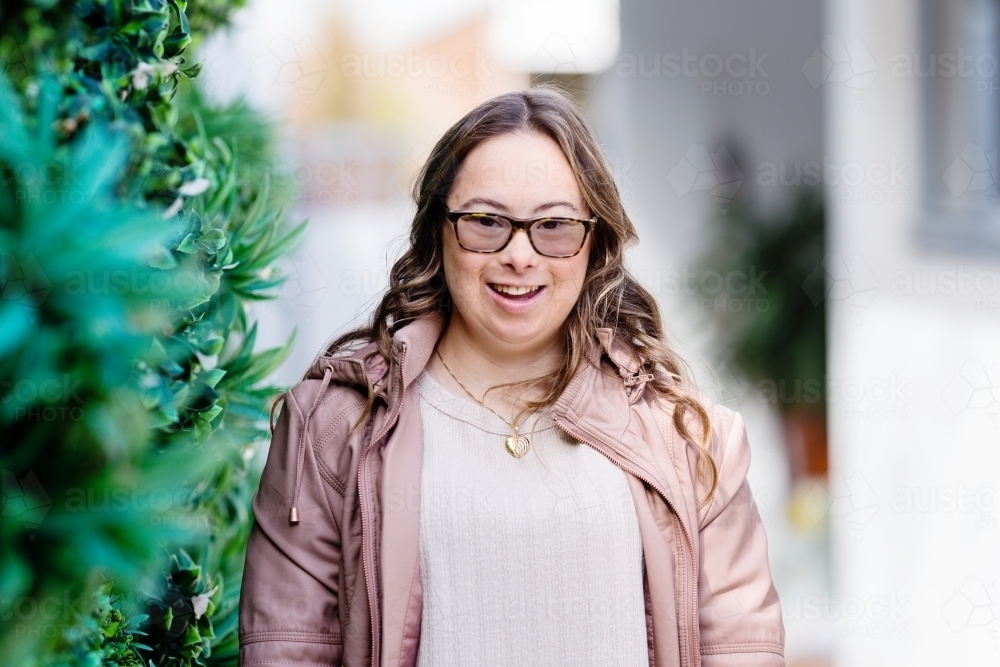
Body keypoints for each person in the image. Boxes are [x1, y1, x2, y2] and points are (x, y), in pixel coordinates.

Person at [238, 85, 785, 667]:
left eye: (553, 225)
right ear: (438, 231)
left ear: (593, 242)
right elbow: (287, 651)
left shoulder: (689, 441)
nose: (520, 255)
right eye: (486, 221)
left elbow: (741, 650)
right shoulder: (332, 428)